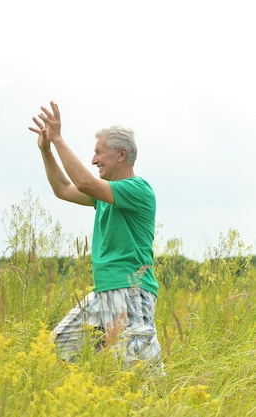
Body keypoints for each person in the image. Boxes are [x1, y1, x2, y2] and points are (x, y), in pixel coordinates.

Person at [29, 101, 163, 371]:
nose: (93, 160)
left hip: (130, 291)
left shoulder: (137, 190)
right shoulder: (105, 194)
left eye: (98, 152)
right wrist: (46, 150)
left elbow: (84, 182)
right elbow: (64, 188)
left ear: (122, 154)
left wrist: (58, 138)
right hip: (104, 292)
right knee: (58, 350)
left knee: (140, 376)